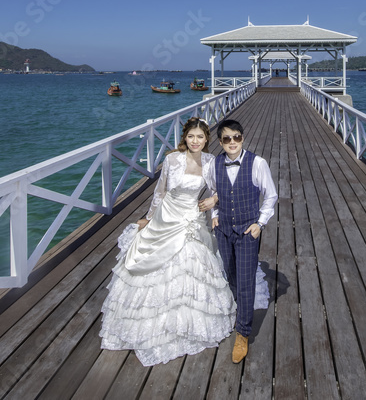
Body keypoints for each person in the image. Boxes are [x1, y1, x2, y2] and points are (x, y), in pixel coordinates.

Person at [99, 117, 235, 366]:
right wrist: (148, 219)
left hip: (191, 217)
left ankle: (185, 323)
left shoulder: (210, 162)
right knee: (151, 264)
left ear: (207, 140)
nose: (195, 141)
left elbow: (220, 189)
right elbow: (160, 192)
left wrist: (213, 201)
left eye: (200, 137)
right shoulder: (172, 159)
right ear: (185, 137)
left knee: (192, 264)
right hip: (167, 216)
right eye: (191, 136)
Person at [210, 118, 278, 364]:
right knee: (231, 275)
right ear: (220, 142)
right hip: (224, 229)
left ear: (242, 138)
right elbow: (212, 193)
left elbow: (270, 196)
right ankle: (238, 314)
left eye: (236, 137)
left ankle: (243, 333)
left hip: (248, 231)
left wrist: (259, 224)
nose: (232, 142)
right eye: (226, 139)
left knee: (246, 281)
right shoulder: (215, 164)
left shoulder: (257, 163)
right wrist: (215, 215)